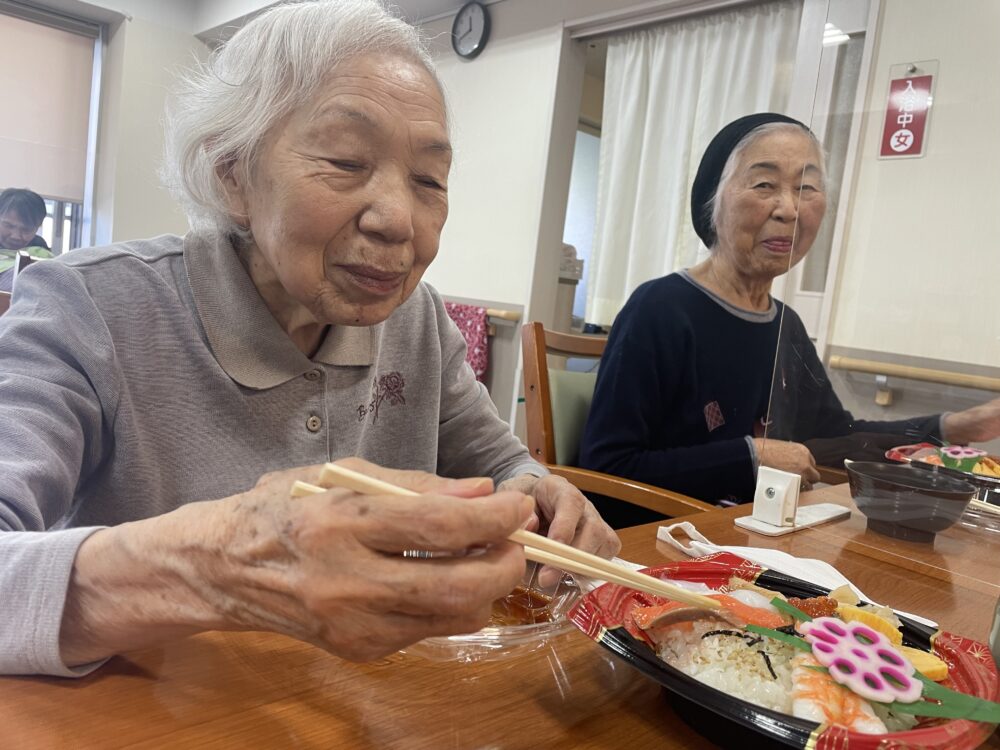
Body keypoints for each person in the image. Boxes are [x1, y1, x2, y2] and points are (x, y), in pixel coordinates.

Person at [0, 0, 619, 678]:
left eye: (429, 182)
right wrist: (219, 566)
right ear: (232, 172)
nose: (397, 219)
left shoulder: (418, 324)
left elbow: (502, 466)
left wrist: (543, 495)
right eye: (346, 160)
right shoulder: (88, 305)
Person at [578, 113, 1000, 505]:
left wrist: (957, 426)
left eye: (807, 188)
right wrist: (751, 456)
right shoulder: (660, 309)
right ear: (714, 199)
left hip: (756, 547)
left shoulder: (786, 326)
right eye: (764, 185)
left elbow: (841, 436)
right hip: (662, 550)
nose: (790, 210)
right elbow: (606, 467)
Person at [0, 188, 51, 292]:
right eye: (8, 226)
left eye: (26, 229)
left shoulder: (39, 248)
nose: (16, 236)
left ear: (38, 227)